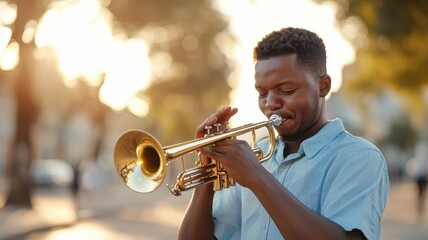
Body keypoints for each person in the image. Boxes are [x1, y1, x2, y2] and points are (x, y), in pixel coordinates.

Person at [178, 27, 389, 240]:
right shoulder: (254, 154)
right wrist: (206, 174)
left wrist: (257, 177)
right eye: (262, 93)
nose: (270, 103)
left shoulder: (359, 157)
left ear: (322, 86)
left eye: (286, 90)